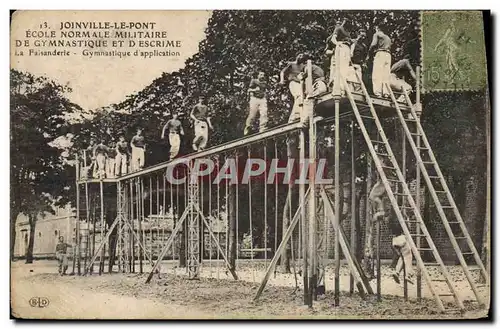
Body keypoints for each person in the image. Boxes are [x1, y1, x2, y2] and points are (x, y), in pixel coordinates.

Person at [280, 54, 306, 123]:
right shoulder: (291, 64)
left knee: (302, 98)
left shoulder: (302, 66)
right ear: (296, 57)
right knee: (298, 96)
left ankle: (299, 115)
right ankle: (294, 117)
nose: (300, 57)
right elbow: (282, 72)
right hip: (293, 82)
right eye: (299, 56)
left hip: (300, 83)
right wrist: (282, 80)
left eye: (302, 57)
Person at [367, 25, 392, 98]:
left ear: (377, 29)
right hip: (388, 55)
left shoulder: (377, 34)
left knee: (377, 74)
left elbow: (373, 44)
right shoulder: (388, 37)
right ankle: (386, 93)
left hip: (380, 54)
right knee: (386, 75)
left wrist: (369, 53)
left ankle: (378, 93)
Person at [329, 19, 352, 95]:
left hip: (347, 48)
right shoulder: (339, 28)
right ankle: (338, 89)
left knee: (345, 70)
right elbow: (333, 39)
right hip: (341, 47)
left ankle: (343, 89)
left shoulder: (348, 32)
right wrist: (337, 44)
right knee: (340, 69)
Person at [244, 71, 268, 135]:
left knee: (264, 113)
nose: (262, 76)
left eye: (263, 75)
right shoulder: (254, 81)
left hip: (262, 99)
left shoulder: (264, 83)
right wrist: (254, 91)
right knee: (252, 114)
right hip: (254, 98)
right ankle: (248, 127)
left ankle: (263, 128)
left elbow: (264, 91)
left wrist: (264, 97)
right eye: (261, 75)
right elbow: (249, 90)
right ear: (258, 76)